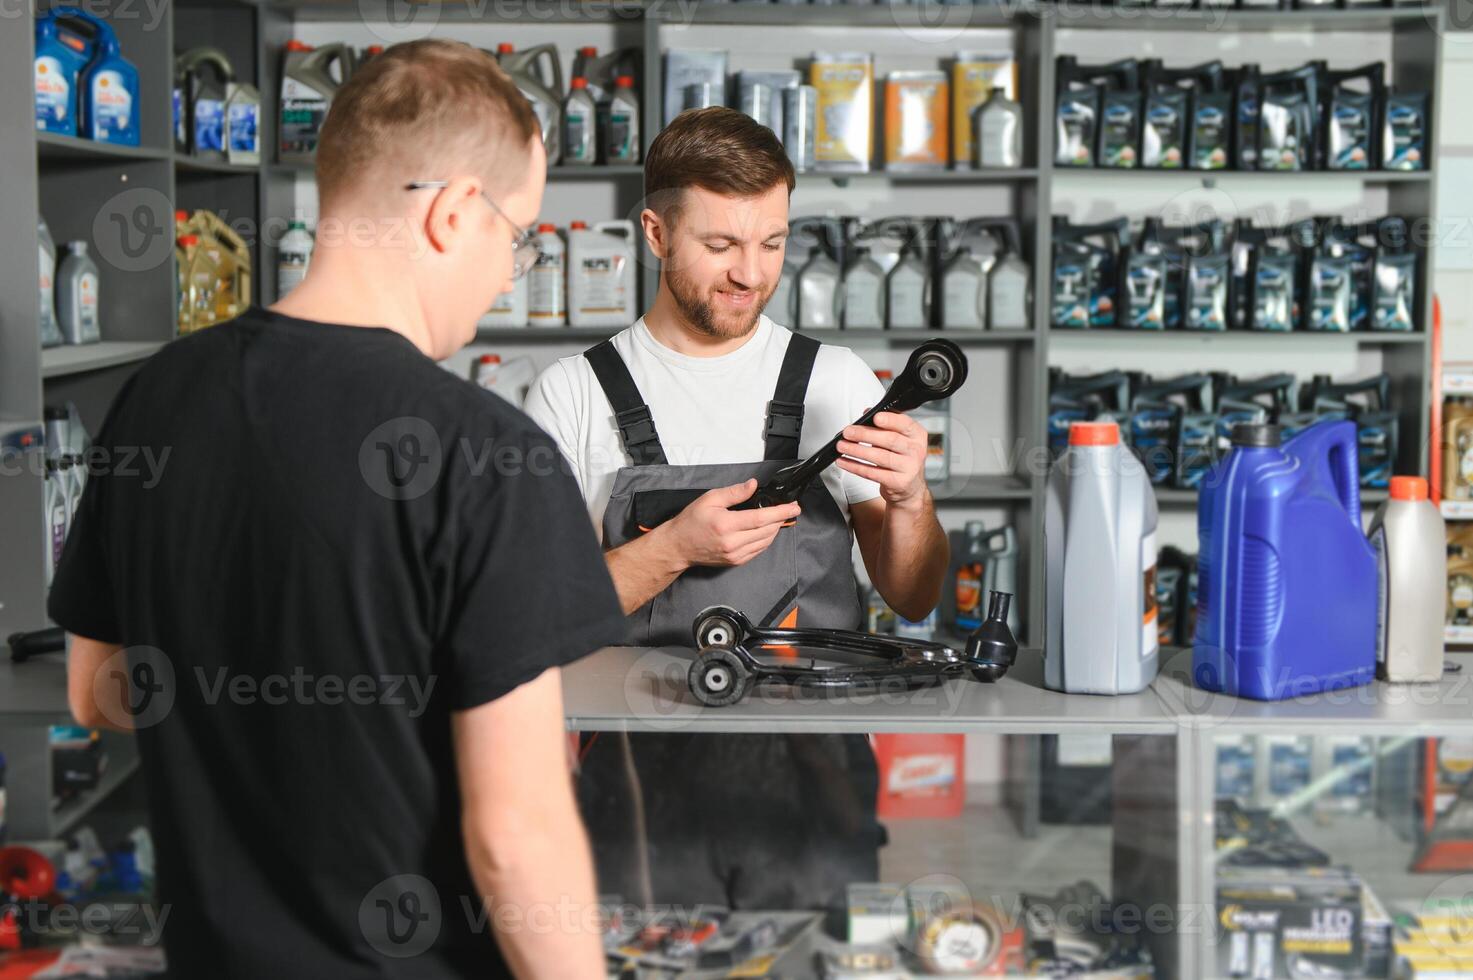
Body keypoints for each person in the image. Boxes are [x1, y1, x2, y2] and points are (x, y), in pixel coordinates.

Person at [51, 41, 624, 980]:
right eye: (516, 235)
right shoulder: (487, 454)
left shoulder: (157, 396)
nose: (511, 273)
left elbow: (96, 695)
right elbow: (514, 840)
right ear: (451, 214)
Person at [523, 107, 950, 911]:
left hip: (813, 770)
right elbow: (547, 618)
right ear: (655, 233)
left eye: (772, 243)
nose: (750, 273)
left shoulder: (837, 383)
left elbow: (915, 594)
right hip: (634, 779)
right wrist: (675, 547)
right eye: (719, 245)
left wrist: (909, 498)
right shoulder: (573, 396)